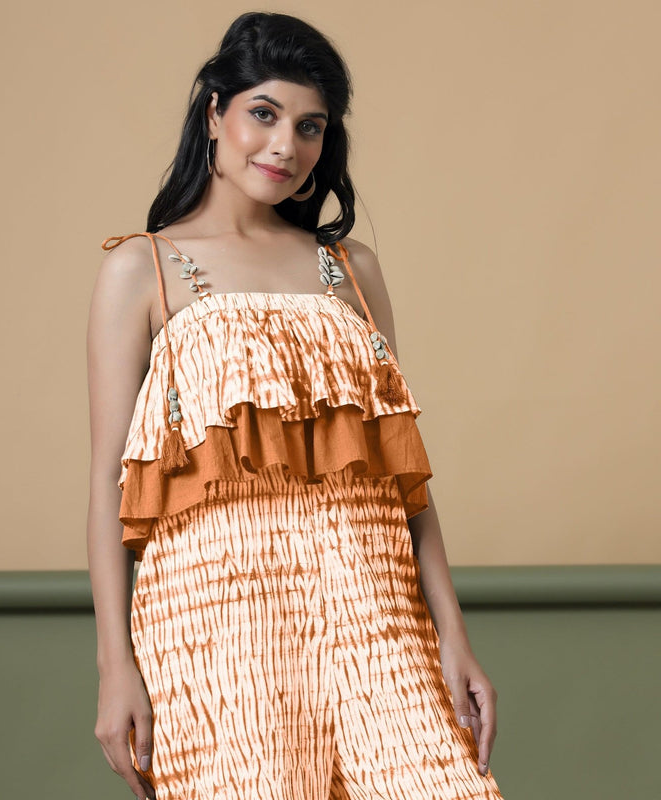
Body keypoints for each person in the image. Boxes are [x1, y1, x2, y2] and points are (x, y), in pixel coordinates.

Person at [86, 11, 504, 800]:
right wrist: (116, 670)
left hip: (376, 607)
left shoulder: (352, 270)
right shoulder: (142, 272)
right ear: (215, 112)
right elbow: (108, 483)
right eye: (264, 114)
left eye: (310, 127)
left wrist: (453, 632)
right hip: (217, 621)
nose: (286, 145)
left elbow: (403, 475)